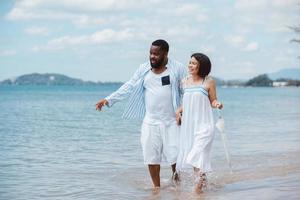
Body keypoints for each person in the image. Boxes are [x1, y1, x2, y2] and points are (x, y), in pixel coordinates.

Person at [95, 39, 187, 188]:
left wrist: (182, 109)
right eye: (151, 53)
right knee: (151, 157)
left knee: (175, 157)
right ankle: (156, 189)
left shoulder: (177, 68)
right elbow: (129, 86)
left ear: (165, 54)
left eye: (156, 54)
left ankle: (177, 185)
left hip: (172, 122)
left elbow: (186, 90)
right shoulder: (143, 69)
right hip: (150, 122)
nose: (152, 56)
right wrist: (108, 99)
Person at [175, 53, 223, 193]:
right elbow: (187, 102)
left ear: (202, 66)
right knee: (197, 159)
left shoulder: (208, 82)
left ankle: (196, 193)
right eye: (190, 62)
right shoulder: (184, 81)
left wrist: (217, 104)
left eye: (194, 63)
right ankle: (204, 188)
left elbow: (212, 100)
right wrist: (178, 112)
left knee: (196, 156)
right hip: (189, 127)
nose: (190, 65)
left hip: (205, 125)